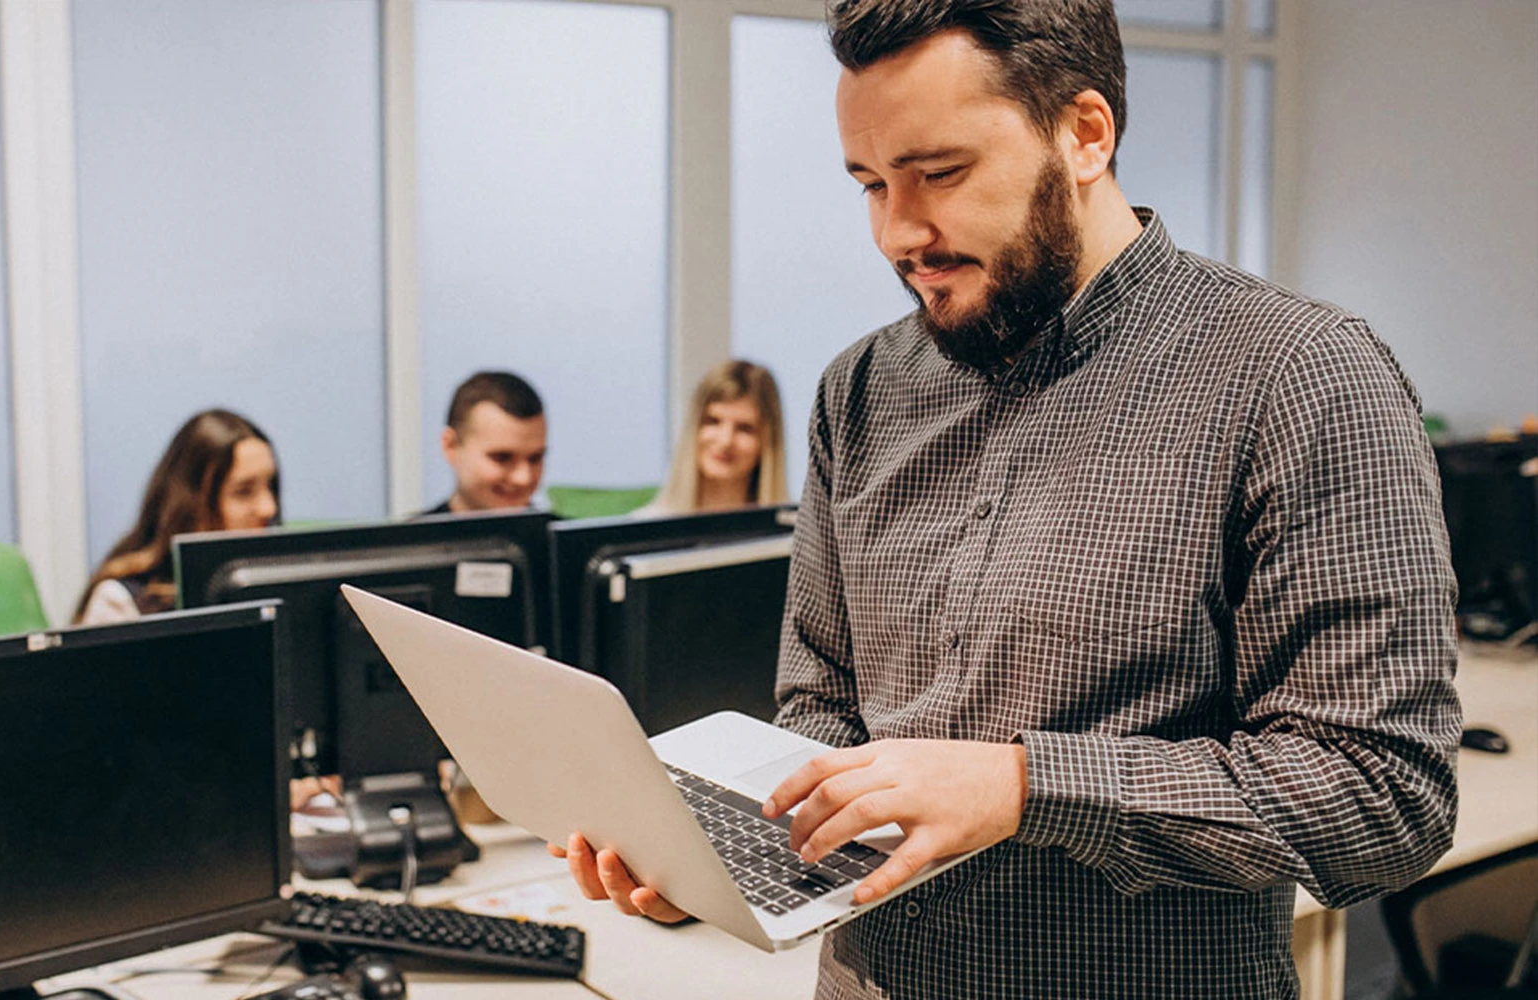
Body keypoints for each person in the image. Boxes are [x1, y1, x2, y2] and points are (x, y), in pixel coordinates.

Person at [553, 2, 1462, 997]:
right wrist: (719, 855)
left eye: (938, 173)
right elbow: (819, 710)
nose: (899, 232)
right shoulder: (857, 390)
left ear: (1082, 133)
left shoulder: (1298, 378)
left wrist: (1028, 786)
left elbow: (1383, 796)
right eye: (869, 184)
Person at [75, 408, 279, 625]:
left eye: (271, 486)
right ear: (191, 503)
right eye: (243, 491)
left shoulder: (284, 586)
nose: (269, 508)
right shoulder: (122, 602)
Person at [640, 359, 789, 515]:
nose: (726, 441)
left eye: (745, 428)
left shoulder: (792, 534)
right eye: (713, 422)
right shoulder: (645, 528)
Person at [425, 371, 547, 514]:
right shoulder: (406, 536)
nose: (523, 478)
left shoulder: (569, 536)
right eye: (502, 458)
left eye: (535, 458)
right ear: (451, 446)